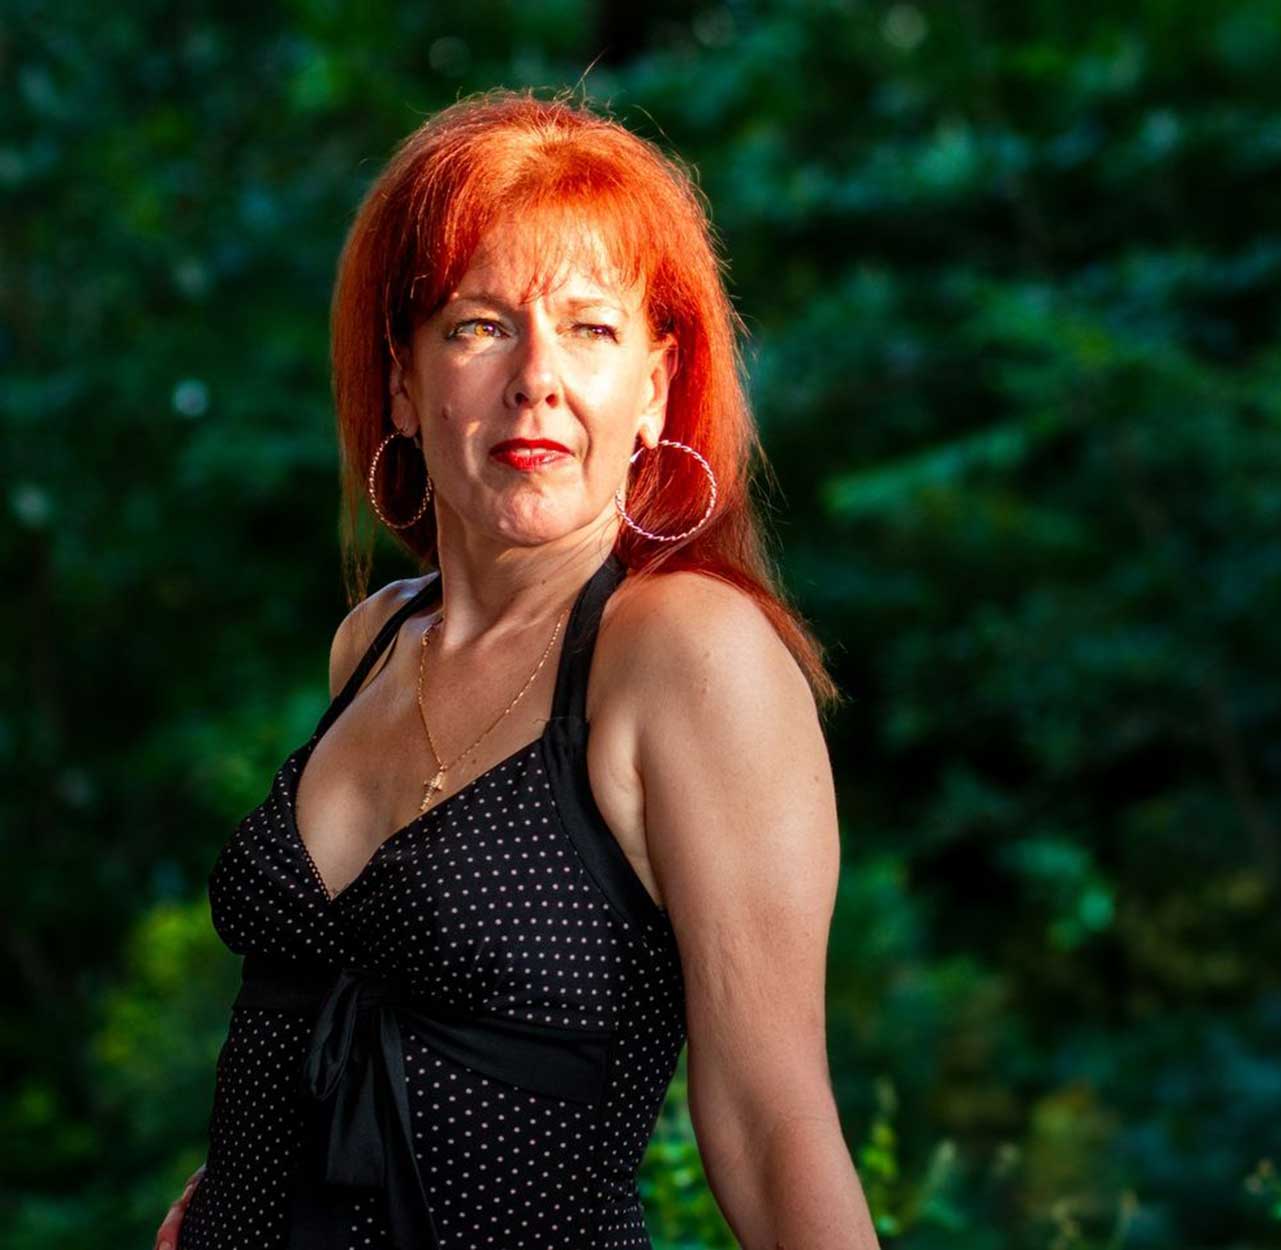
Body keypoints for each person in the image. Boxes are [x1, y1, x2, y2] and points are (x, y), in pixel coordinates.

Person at [154, 87, 877, 1250]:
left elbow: (771, 1120)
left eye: (591, 329)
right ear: (403, 381)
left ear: (654, 388)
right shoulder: (371, 641)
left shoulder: (688, 651)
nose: (536, 376)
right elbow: (330, 1026)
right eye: (478, 325)